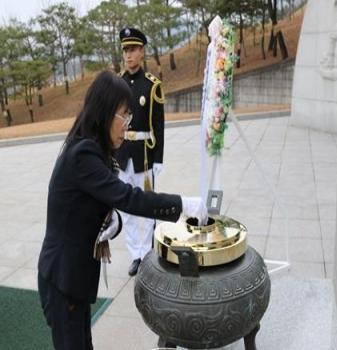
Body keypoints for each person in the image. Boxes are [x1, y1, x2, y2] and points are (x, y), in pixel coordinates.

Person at [37, 70, 207, 350]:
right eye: (124, 115)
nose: (127, 126)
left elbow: (97, 202)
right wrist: (183, 205)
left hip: (73, 277)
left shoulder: (92, 149)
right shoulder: (83, 154)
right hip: (62, 278)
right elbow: (129, 198)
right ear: (104, 112)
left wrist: (111, 220)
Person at [116, 27, 165, 276]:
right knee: (126, 206)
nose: (128, 55)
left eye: (133, 49)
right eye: (125, 49)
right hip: (123, 155)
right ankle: (135, 254)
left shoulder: (152, 85)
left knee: (146, 206)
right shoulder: (118, 83)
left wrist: (159, 159)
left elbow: (159, 124)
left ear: (142, 51)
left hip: (145, 155)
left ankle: (147, 252)